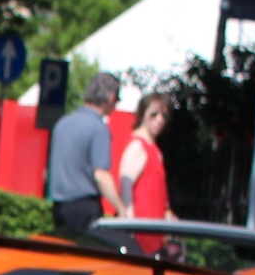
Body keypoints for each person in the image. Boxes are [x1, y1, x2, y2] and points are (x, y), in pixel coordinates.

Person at [46, 71, 123, 234]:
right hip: (85, 209)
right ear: (111, 97)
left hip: (59, 207)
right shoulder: (99, 129)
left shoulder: (62, 124)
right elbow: (101, 175)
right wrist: (121, 208)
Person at [116, 91, 179, 257]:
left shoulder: (154, 149)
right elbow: (125, 186)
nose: (160, 119)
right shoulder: (138, 145)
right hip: (140, 234)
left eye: (164, 115)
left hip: (153, 232)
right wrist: (129, 225)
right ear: (142, 113)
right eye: (154, 114)